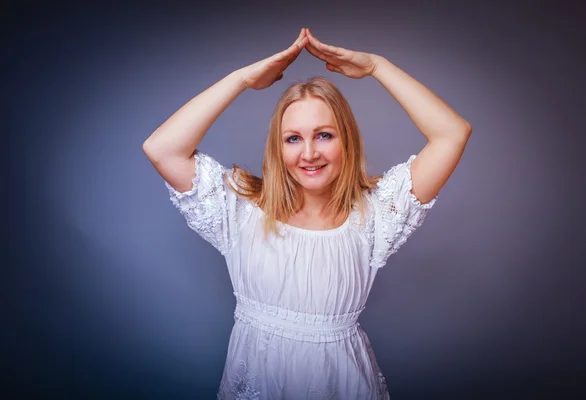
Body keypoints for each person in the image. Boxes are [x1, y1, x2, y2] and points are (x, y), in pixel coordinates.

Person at [143, 27, 471, 400]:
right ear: (278, 148)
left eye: (325, 135)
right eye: (293, 138)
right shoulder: (241, 209)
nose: (309, 153)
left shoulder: (376, 215)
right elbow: (162, 148)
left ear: (346, 140)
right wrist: (243, 79)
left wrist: (378, 66)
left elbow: (452, 133)